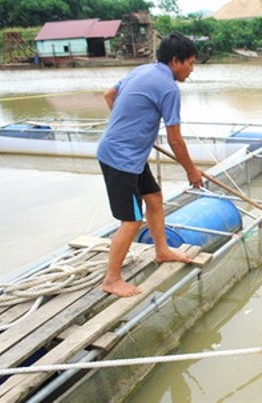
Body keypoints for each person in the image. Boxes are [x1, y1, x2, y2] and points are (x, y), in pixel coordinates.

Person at [97, 32, 203, 297]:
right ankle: (111, 279)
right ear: (176, 61)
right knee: (131, 221)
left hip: (130, 154)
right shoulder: (169, 88)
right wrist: (191, 170)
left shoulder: (142, 70)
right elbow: (175, 140)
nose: (191, 70)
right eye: (190, 63)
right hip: (120, 160)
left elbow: (109, 95)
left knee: (154, 198)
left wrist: (129, 128)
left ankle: (162, 250)